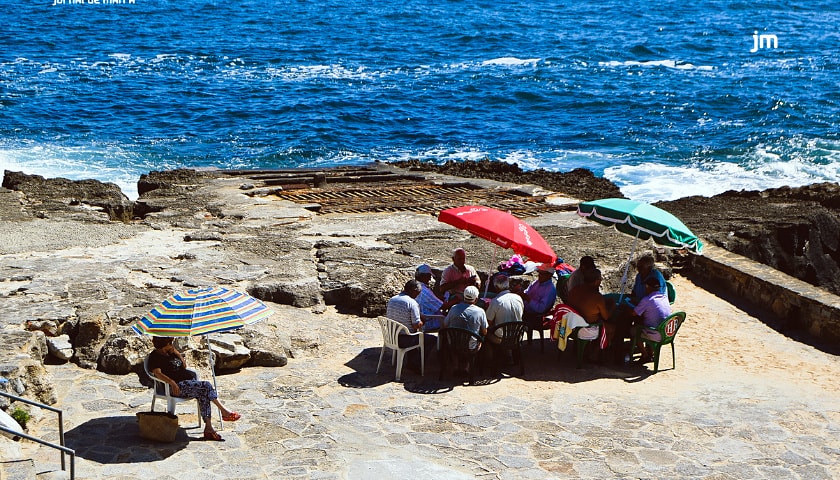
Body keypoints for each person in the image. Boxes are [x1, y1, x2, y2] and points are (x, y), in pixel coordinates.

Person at [147, 337, 241, 441]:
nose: (172, 344)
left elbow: (184, 365)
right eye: (170, 342)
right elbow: (158, 374)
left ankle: (209, 428)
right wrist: (172, 382)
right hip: (176, 387)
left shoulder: (171, 352)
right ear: (163, 344)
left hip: (188, 383)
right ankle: (224, 411)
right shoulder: (154, 356)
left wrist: (177, 353)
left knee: (203, 393)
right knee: (206, 386)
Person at [567, 268, 616, 356]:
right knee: (611, 328)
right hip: (587, 329)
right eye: (600, 279)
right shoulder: (596, 296)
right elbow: (606, 317)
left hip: (571, 326)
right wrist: (612, 306)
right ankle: (596, 353)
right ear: (596, 281)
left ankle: (584, 349)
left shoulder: (574, 290)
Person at [630, 276, 672, 363]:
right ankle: (651, 352)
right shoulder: (664, 298)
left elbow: (634, 313)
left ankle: (645, 355)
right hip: (667, 334)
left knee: (633, 331)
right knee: (648, 323)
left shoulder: (647, 299)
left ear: (648, 287)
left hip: (655, 334)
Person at [443, 286, 488, 351]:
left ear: (464, 297)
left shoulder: (454, 308)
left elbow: (445, 324)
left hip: (453, 344)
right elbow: (484, 332)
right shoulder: (480, 312)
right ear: (476, 299)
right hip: (471, 347)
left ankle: (455, 359)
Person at [485, 274, 524, 344]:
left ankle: (490, 353)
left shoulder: (496, 301)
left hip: (501, 337)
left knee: (485, 333)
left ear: (496, 287)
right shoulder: (518, 298)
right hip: (517, 335)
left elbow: (488, 323)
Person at [520, 264, 557, 332]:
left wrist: (528, 299)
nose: (539, 275)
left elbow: (540, 309)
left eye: (542, 274)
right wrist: (521, 293)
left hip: (535, 317)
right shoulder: (536, 282)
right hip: (525, 310)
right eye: (539, 273)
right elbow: (527, 292)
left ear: (549, 275)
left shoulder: (550, 290)